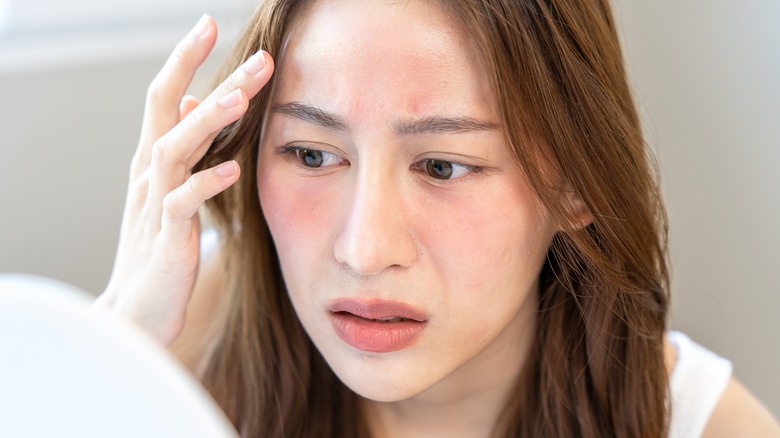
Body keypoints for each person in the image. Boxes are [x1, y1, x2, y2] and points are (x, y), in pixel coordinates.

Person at [93, 0, 780, 436]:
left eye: (443, 167)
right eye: (310, 153)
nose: (364, 250)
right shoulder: (180, 341)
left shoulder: (702, 426)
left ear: (575, 184)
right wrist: (112, 344)